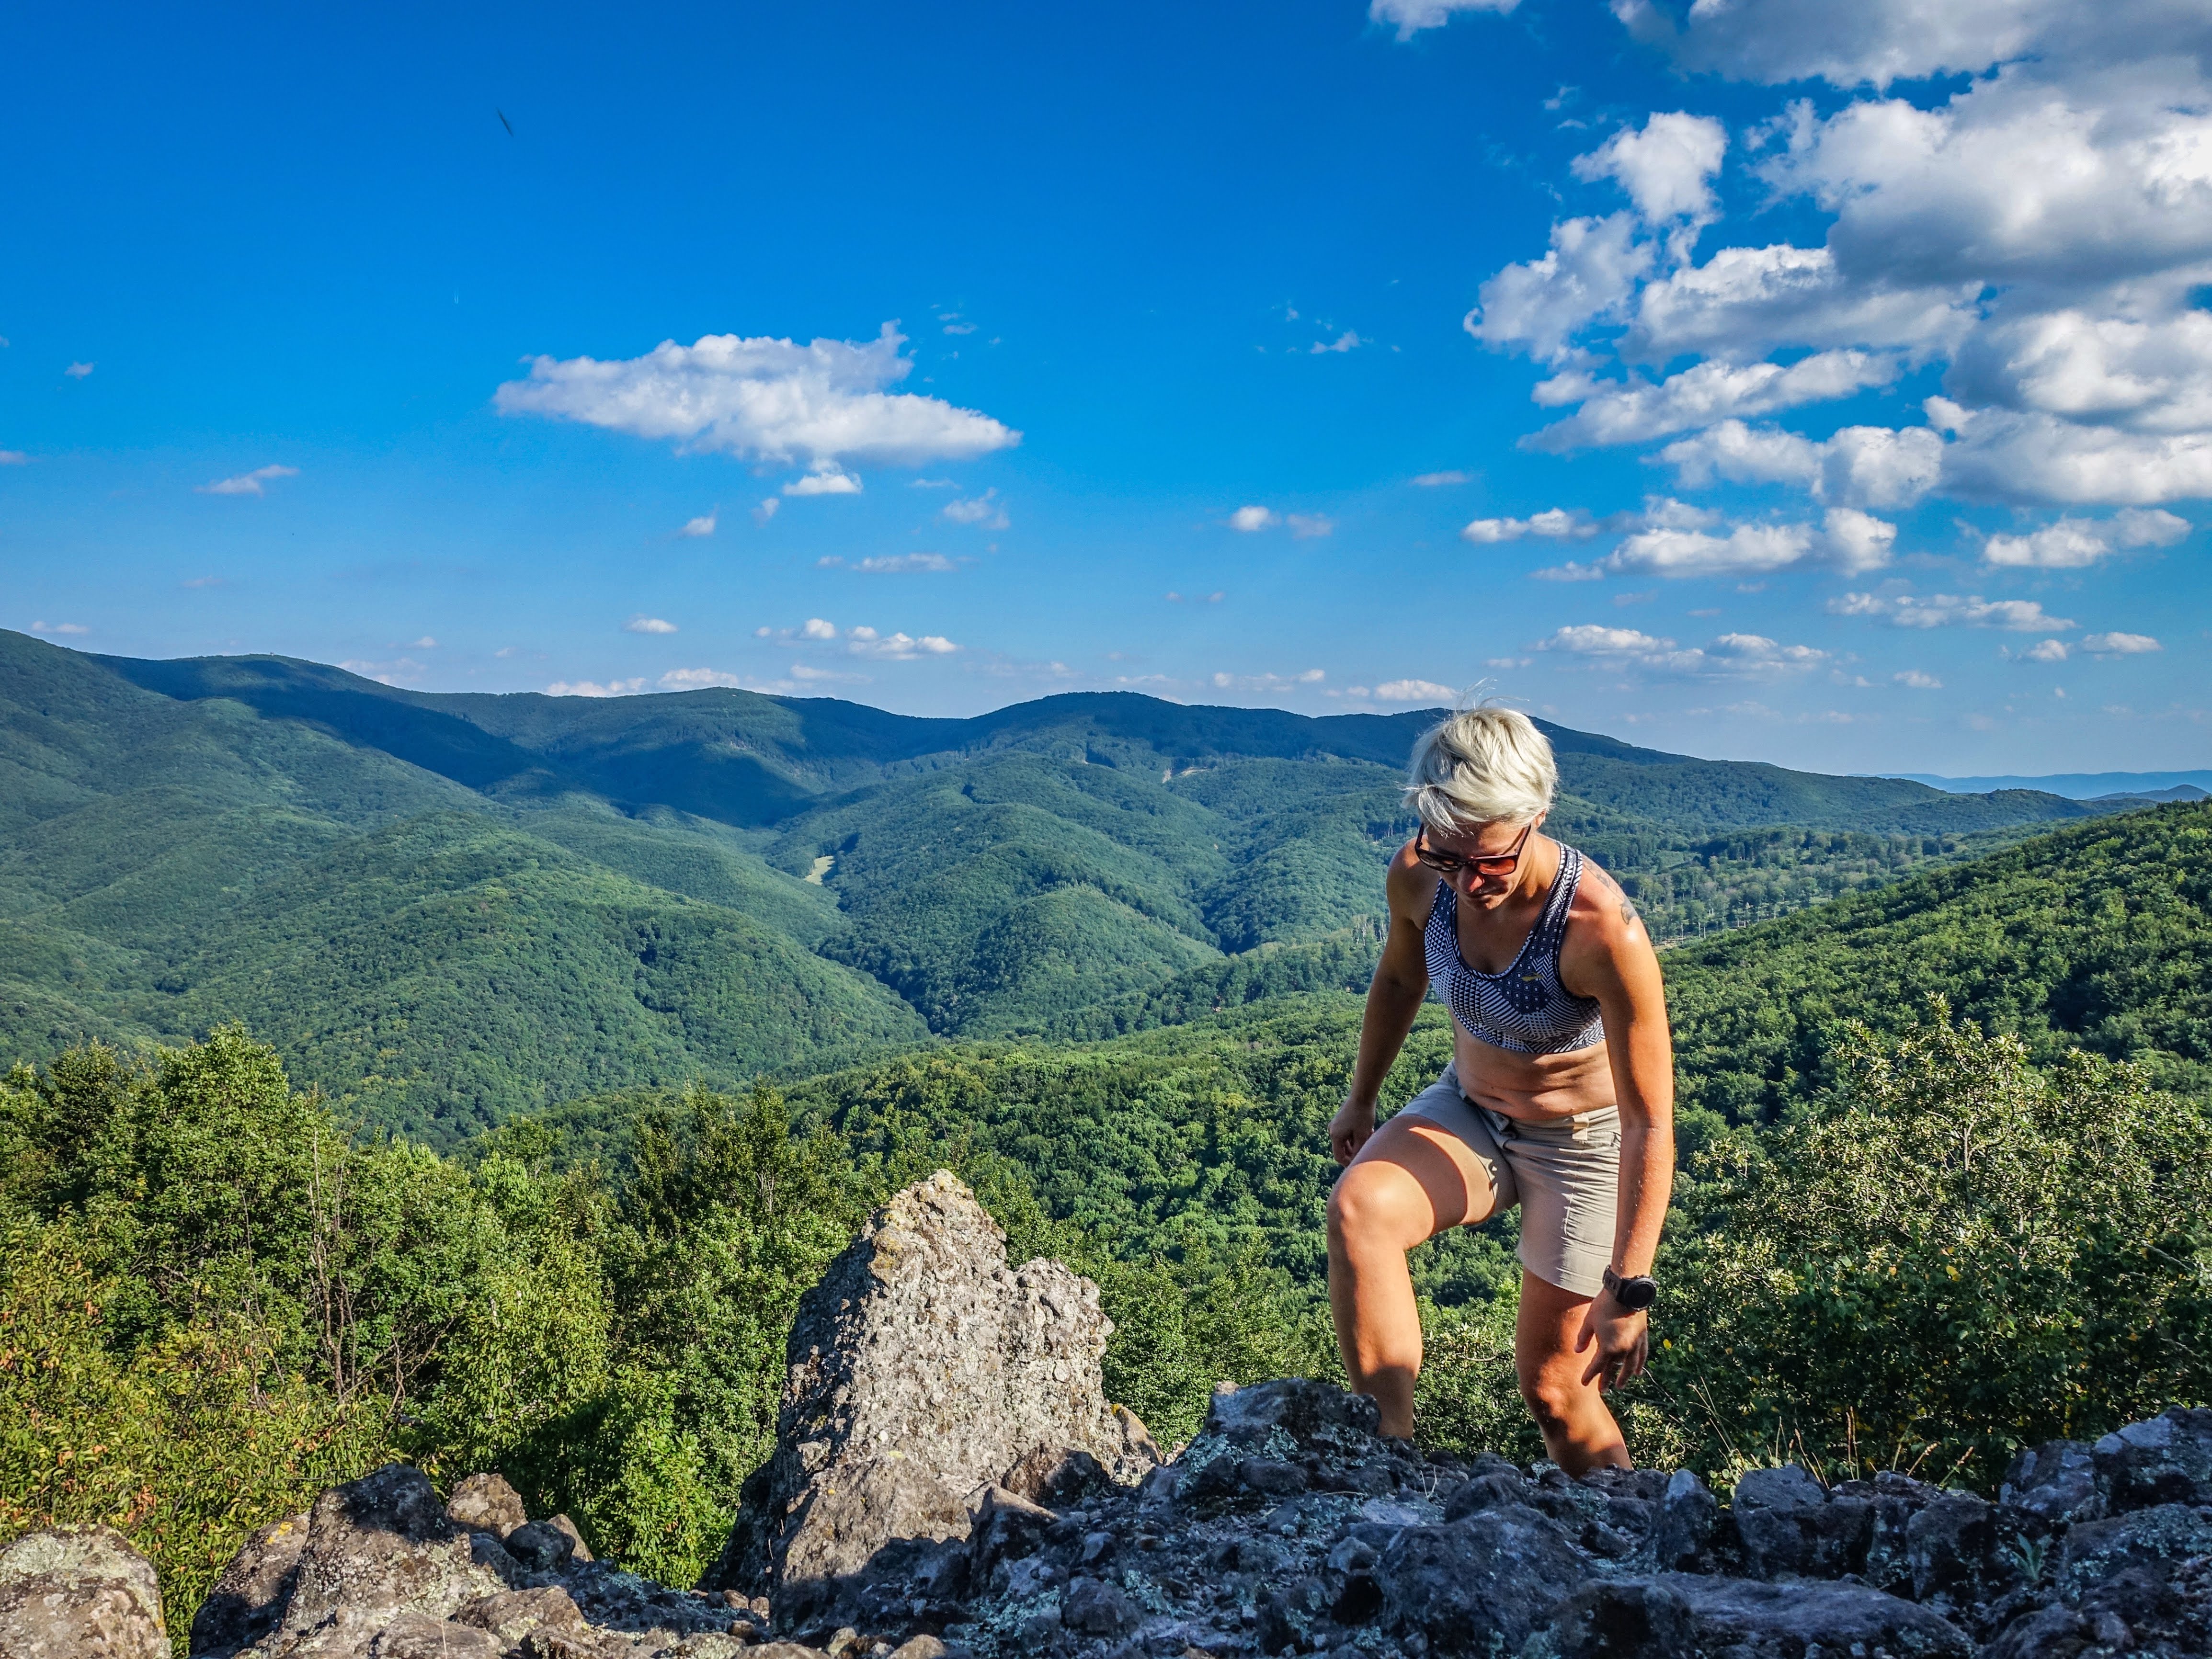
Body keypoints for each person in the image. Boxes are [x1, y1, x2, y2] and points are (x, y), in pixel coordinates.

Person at [1325, 702, 1674, 1472]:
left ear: (1535, 816)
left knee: (1555, 1390)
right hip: (1472, 1107)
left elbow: (1650, 1120)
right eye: (1447, 857)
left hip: (1580, 1143)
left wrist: (1630, 1285)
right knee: (1358, 1211)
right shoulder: (1421, 876)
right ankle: (1390, 1461)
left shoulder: (1599, 928)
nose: (1469, 882)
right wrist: (1362, 1096)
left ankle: (1629, 1542)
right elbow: (1397, 977)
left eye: (1489, 860)